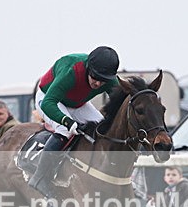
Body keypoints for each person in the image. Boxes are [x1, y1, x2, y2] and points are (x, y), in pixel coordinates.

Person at [28, 46, 120, 198]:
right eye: (95, 77)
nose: (98, 83)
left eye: (103, 80)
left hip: (77, 103)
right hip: (48, 98)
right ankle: (40, 177)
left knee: (103, 129)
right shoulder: (71, 71)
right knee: (65, 129)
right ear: (88, 67)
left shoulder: (110, 81)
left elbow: (122, 102)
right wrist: (67, 121)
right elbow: (49, 102)